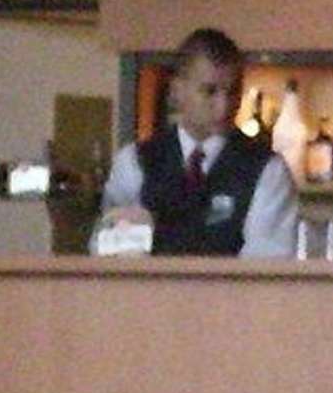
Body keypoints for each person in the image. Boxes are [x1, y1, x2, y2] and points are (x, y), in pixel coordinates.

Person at [97, 28, 297, 257]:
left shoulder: (267, 169)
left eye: (232, 92)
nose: (224, 106)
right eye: (209, 91)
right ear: (177, 90)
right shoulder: (135, 162)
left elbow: (266, 264)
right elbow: (111, 253)